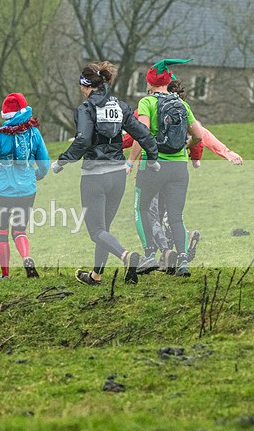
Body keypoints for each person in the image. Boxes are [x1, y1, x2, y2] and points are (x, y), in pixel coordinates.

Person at [51, 61, 159, 286]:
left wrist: (61, 162)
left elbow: (82, 141)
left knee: (96, 230)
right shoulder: (120, 106)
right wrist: (153, 156)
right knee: (104, 229)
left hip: (94, 177)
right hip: (118, 175)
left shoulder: (86, 109)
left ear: (86, 85)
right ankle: (96, 275)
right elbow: (142, 132)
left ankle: (127, 256)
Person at [126, 59, 202, 277]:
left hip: (154, 166)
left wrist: (130, 162)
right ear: (169, 83)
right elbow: (197, 135)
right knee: (176, 216)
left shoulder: (147, 102)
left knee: (142, 208)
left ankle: (149, 255)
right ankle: (183, 262)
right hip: (179, 168)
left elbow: (141, 134)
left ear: (150, 83)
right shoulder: (182, 104)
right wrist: (184, 148)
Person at [0, 92, 49, 280]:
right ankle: (26, 257)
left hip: (3, 191)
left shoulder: (0, 135)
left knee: (2, 232)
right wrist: (37, 176)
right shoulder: (34, 132)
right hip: (27, 190)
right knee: (19, 230)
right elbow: (45, 164)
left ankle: (5, 274)